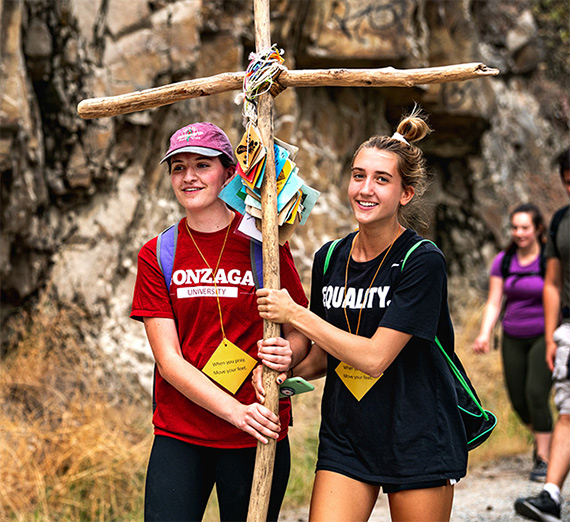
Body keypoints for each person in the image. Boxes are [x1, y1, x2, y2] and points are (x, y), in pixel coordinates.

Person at [255, 107, 468, 522]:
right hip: (347, 435)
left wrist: (295, 314)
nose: (365, 189)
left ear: (405, 194)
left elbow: (374, 358)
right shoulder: (330, 256)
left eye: (381, 179)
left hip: (417, 433)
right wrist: (289, 363)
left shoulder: (422, 261)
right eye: (358, 175)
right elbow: (326, 355)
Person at [130, 121, 310, 522]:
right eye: (178, 167)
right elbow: (169, 361)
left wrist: (288, 353)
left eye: (202, 165)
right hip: (182, 432)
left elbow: (300, 331)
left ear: (229, 173)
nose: (189, 176)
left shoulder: (264, 244)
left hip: (257, 433)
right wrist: (235, 411)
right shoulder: (158, 253)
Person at [472, 203, 552, 481]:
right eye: (515, 227)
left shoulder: (549, 259)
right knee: (518, 400)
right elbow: (495, 301)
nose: (519, 233)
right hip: (512, 336)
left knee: (535, 393)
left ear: (538, 229)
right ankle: (550, 440)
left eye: (525, 228)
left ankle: (543, 457)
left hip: (544, 334)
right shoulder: (504, 261)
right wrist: (484, 333)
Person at [515, 148, 570, 522]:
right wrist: (552, 335)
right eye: (567, 182)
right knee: (567, 409)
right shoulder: (562, 221)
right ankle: (551, 494)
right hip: (569, 327)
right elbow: (552, 283)